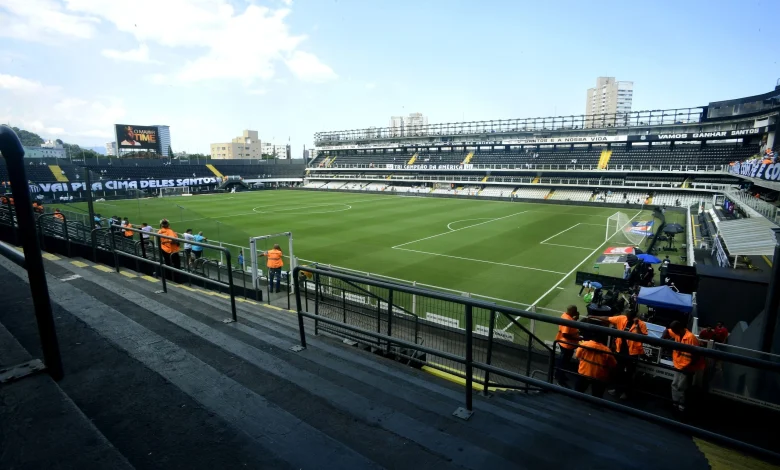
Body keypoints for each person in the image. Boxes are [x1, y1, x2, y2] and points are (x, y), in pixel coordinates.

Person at [590, 310, 648, 399]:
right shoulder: (622, 318)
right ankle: (617, 389)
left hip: (632, 353)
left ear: (634, 317)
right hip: (620, 350)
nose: (627, 318)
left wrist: (637, 326)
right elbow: (608, 318)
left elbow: (643, 337)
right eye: (627, 316)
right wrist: (594, 316)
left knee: (629, 373)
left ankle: (626, 393)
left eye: (629, 317)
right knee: (618, 370)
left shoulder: (641, 324)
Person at [662, 321, 705, 411]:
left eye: (674, 330)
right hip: (678, 366)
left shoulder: (691, 338)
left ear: (679, 328)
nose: (672, 331)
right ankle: (675, 403)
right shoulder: (677, 333)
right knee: (674, 384)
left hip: (687, 368)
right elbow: (667, 331)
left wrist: (688, 367)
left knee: (682, 387)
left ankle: (681, 407)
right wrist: (662, 338)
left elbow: (696, 355)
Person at [574, 334, 617, 398]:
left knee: (577, 393)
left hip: (583, 372)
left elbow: (577, 355)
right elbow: (613, 364)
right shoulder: (607, 350)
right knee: (597, 396)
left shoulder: (584, 344)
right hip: (599, 376)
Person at [554, 305, 581, 388]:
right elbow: (565, 334)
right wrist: (577, 337)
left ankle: (558, 375)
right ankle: (560, 380)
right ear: (573, 311)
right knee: (563, 362)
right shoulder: (568, 320)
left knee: (563, 361)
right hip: (566, 344)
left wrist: (575, 319)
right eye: (575, 311)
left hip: (564, 343)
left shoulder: (565, 315)